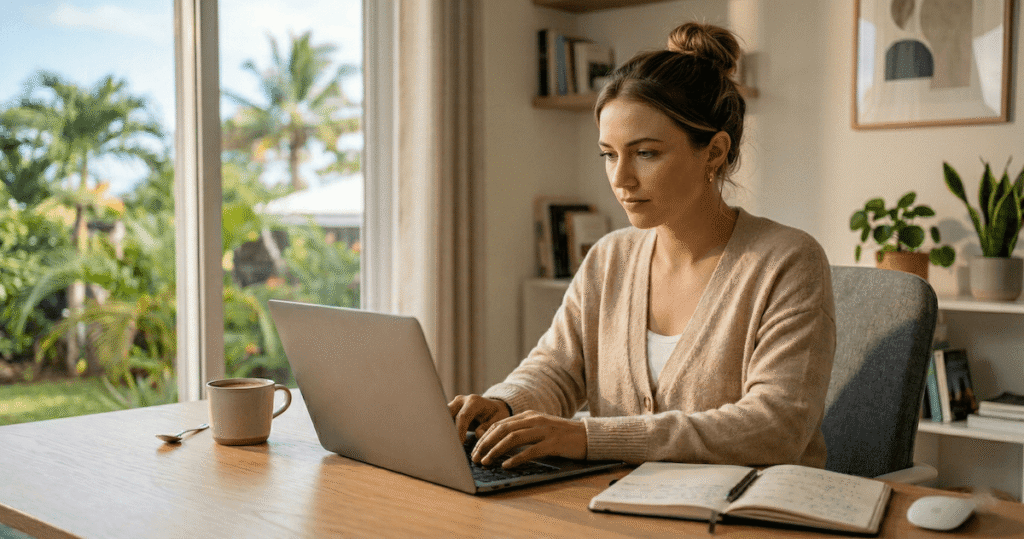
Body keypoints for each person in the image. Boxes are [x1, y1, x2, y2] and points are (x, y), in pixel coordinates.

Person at [449, 22, 835, 470]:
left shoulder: (787, 262)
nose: (620, 178)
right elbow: (556, 369)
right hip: (616, 506)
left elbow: (775, 428)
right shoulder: (609, 258)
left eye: (646, 153)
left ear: (714, 152)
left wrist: (587, 436)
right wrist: (505, 406)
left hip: (743, 517)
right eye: (609, 154)